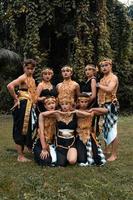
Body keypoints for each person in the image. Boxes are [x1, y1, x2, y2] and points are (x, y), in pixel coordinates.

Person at [7, 59, 38, 162]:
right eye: (27, 68)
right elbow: (10, 86)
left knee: (28, 127)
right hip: (23, 105)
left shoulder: (32, 78)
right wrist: (16, 98)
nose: (29, 70)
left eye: (32, 68)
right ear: (24, 68)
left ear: (34, 69)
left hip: (29, 105)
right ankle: (20, 156)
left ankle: (27, 148)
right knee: (20, 128)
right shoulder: (23, 77)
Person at [39, 96, 78, 167]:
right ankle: (62, 156)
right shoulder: (57, 114)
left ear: (70, 104)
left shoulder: (75, 114)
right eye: (62, 104)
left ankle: (70, 154)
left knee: (72, 161)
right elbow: (42, 114)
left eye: (67, 104)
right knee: (60, 164)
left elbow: (89, 114)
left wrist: (75, 110)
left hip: (71, 142)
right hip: (60, 143)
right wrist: (57, 111)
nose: (64, 106)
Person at [97, 58, 119, 161]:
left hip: (111, 105)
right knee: (105, 128)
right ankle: (107, 150)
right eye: (102, 66)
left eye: (106, 65)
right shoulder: (102, 79)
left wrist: (99, 85)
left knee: (112, 129)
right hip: (103, 105)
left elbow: (110, 89)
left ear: (110, 66)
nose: (104, 67)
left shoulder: (113, 77)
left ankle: (114, 154)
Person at [76, 94, 107, 166]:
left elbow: (105, 110)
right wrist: (88, 113)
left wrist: (93, 109)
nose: (83, 104)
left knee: (97, 158)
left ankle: (94, 153)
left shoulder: (91, 111)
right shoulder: (76, 112)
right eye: (82, 102)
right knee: (82, 160)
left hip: (90, 135)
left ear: (88, 102)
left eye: (86, 102)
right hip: (80, 135)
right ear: (79, 102)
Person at [33, 96, 57, 166]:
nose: (51, 105)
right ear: (45, 106)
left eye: (53, 103)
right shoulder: (42, 115)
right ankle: (38, 153)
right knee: (46, 161)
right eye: (49, 104)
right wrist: (44, 148)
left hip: (52, 143)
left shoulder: (57, 115)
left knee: (57, 161)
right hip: (41, 142)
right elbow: (41, 133)